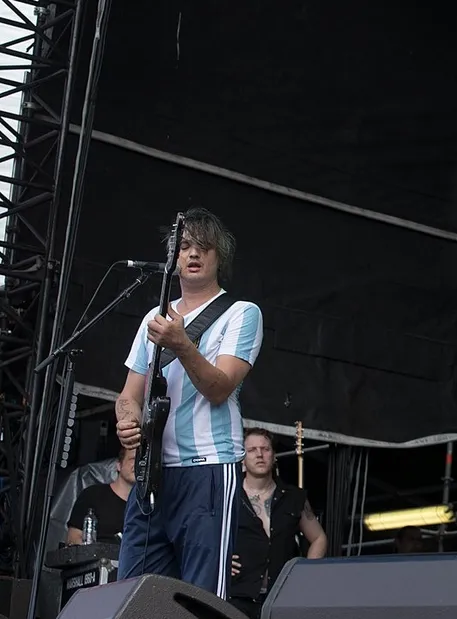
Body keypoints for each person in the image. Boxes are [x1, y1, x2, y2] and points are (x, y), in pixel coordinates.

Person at [114, 207, 264, 599]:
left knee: (199, 599)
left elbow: (219, 387)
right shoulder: (154, 317)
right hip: (153, 473)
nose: (193, 254)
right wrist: (127, 420)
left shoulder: (241, 314)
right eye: (184, 247)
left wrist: (182, 344)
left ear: (219, 257)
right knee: (133, 593)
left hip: (208, 469)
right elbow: (128, 395)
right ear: (172, 259)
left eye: (203, 246)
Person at [229, 427, 327, 619]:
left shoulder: (294, 497)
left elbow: (319, 538)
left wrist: (306, 574)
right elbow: (203, 535)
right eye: (252, 450)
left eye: (265, 449)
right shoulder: (229, 495)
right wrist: (220, 559)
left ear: (274, 456)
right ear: (242, 457)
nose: (259, 455)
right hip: (238, 595)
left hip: (281, 597)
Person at [65, 448, 135, 545]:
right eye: (133, 459)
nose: (139, 464)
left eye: (143, 461)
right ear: (119, 465)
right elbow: (73, 538)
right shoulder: (92, 495)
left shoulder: (150, 506)